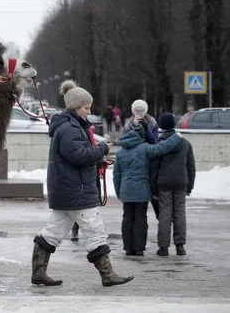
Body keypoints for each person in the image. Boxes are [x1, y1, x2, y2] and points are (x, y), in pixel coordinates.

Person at [31, 80, 133, 287]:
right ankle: (108, 275)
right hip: (76, 190)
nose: (89, 111)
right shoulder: (70, 128)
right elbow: (78, 155)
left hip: (67, 190)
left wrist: (96, 159)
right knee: (94, 230)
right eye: (86, 108)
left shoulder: (71, 126)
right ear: (76, 107)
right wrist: (102, 150)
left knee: (52, 232)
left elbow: (77, 156)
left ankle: (38, 272)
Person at [113, 116, 181, 256]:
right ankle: (138, 249)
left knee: (127, 219)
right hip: (141, 191)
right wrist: (175, 138)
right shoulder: (144, 148)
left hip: (126, 191)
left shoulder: (120, 153)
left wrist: (119, 192)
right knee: (140, 219)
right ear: (141, 135)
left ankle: (128, 248)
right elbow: (161, 148)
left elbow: (116, 176)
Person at [150, 112, 196, 256]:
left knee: (165, 213)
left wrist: (153, 187)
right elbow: (191, 167)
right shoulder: (185, 143)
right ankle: (180, 246)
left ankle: (163, 247)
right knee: (180, 213)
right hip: (181, 183)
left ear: (162, 126)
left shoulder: (159, 143)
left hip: (163, 183)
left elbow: (154, 168)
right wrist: (190, 186)